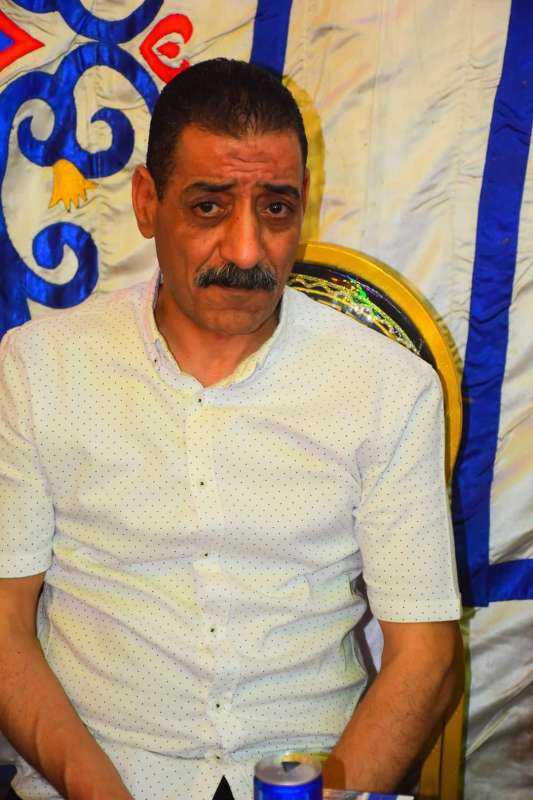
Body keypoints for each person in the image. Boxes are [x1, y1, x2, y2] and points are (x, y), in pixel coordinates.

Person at [0, 59, 461, 800]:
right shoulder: (38, 368)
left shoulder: (387, 388)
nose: (247, 252)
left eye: (275, 209)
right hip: (99, 772)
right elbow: (4, 626)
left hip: (316, 775)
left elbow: (424, 655)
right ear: (147, 203)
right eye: (209, 206)